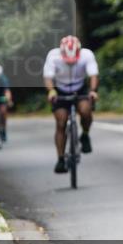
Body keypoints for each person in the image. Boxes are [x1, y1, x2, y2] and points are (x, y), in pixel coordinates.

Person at [44, 36, 99, 172]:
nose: (70, 63)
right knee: (61, 123)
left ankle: (85, 134)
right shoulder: (53, 56)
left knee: (86, 111)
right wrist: (51, 91)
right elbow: (48, 78)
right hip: (60, 90)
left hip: (79, 88)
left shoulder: (86, 55)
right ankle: (61, 159)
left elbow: (93, 76)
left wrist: (92, 91)